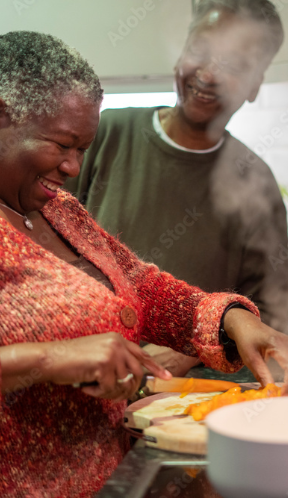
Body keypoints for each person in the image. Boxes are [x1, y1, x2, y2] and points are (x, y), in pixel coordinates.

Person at [1, 31, 288, 498]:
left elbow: (141, 285)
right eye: (61, 145)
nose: (74, 167)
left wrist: (231, 319)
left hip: (112, 476)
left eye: (83, 149)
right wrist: (48, 359)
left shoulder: (57, 210)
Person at [66, 0, 288, 377]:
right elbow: (45, 244)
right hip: (82, 373)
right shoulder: (100, 138)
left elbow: (271, 312)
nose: (209, 74)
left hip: (182, 395)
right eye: (200, 52)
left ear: (254, 86)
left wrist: (195, 348)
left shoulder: (257, 183)